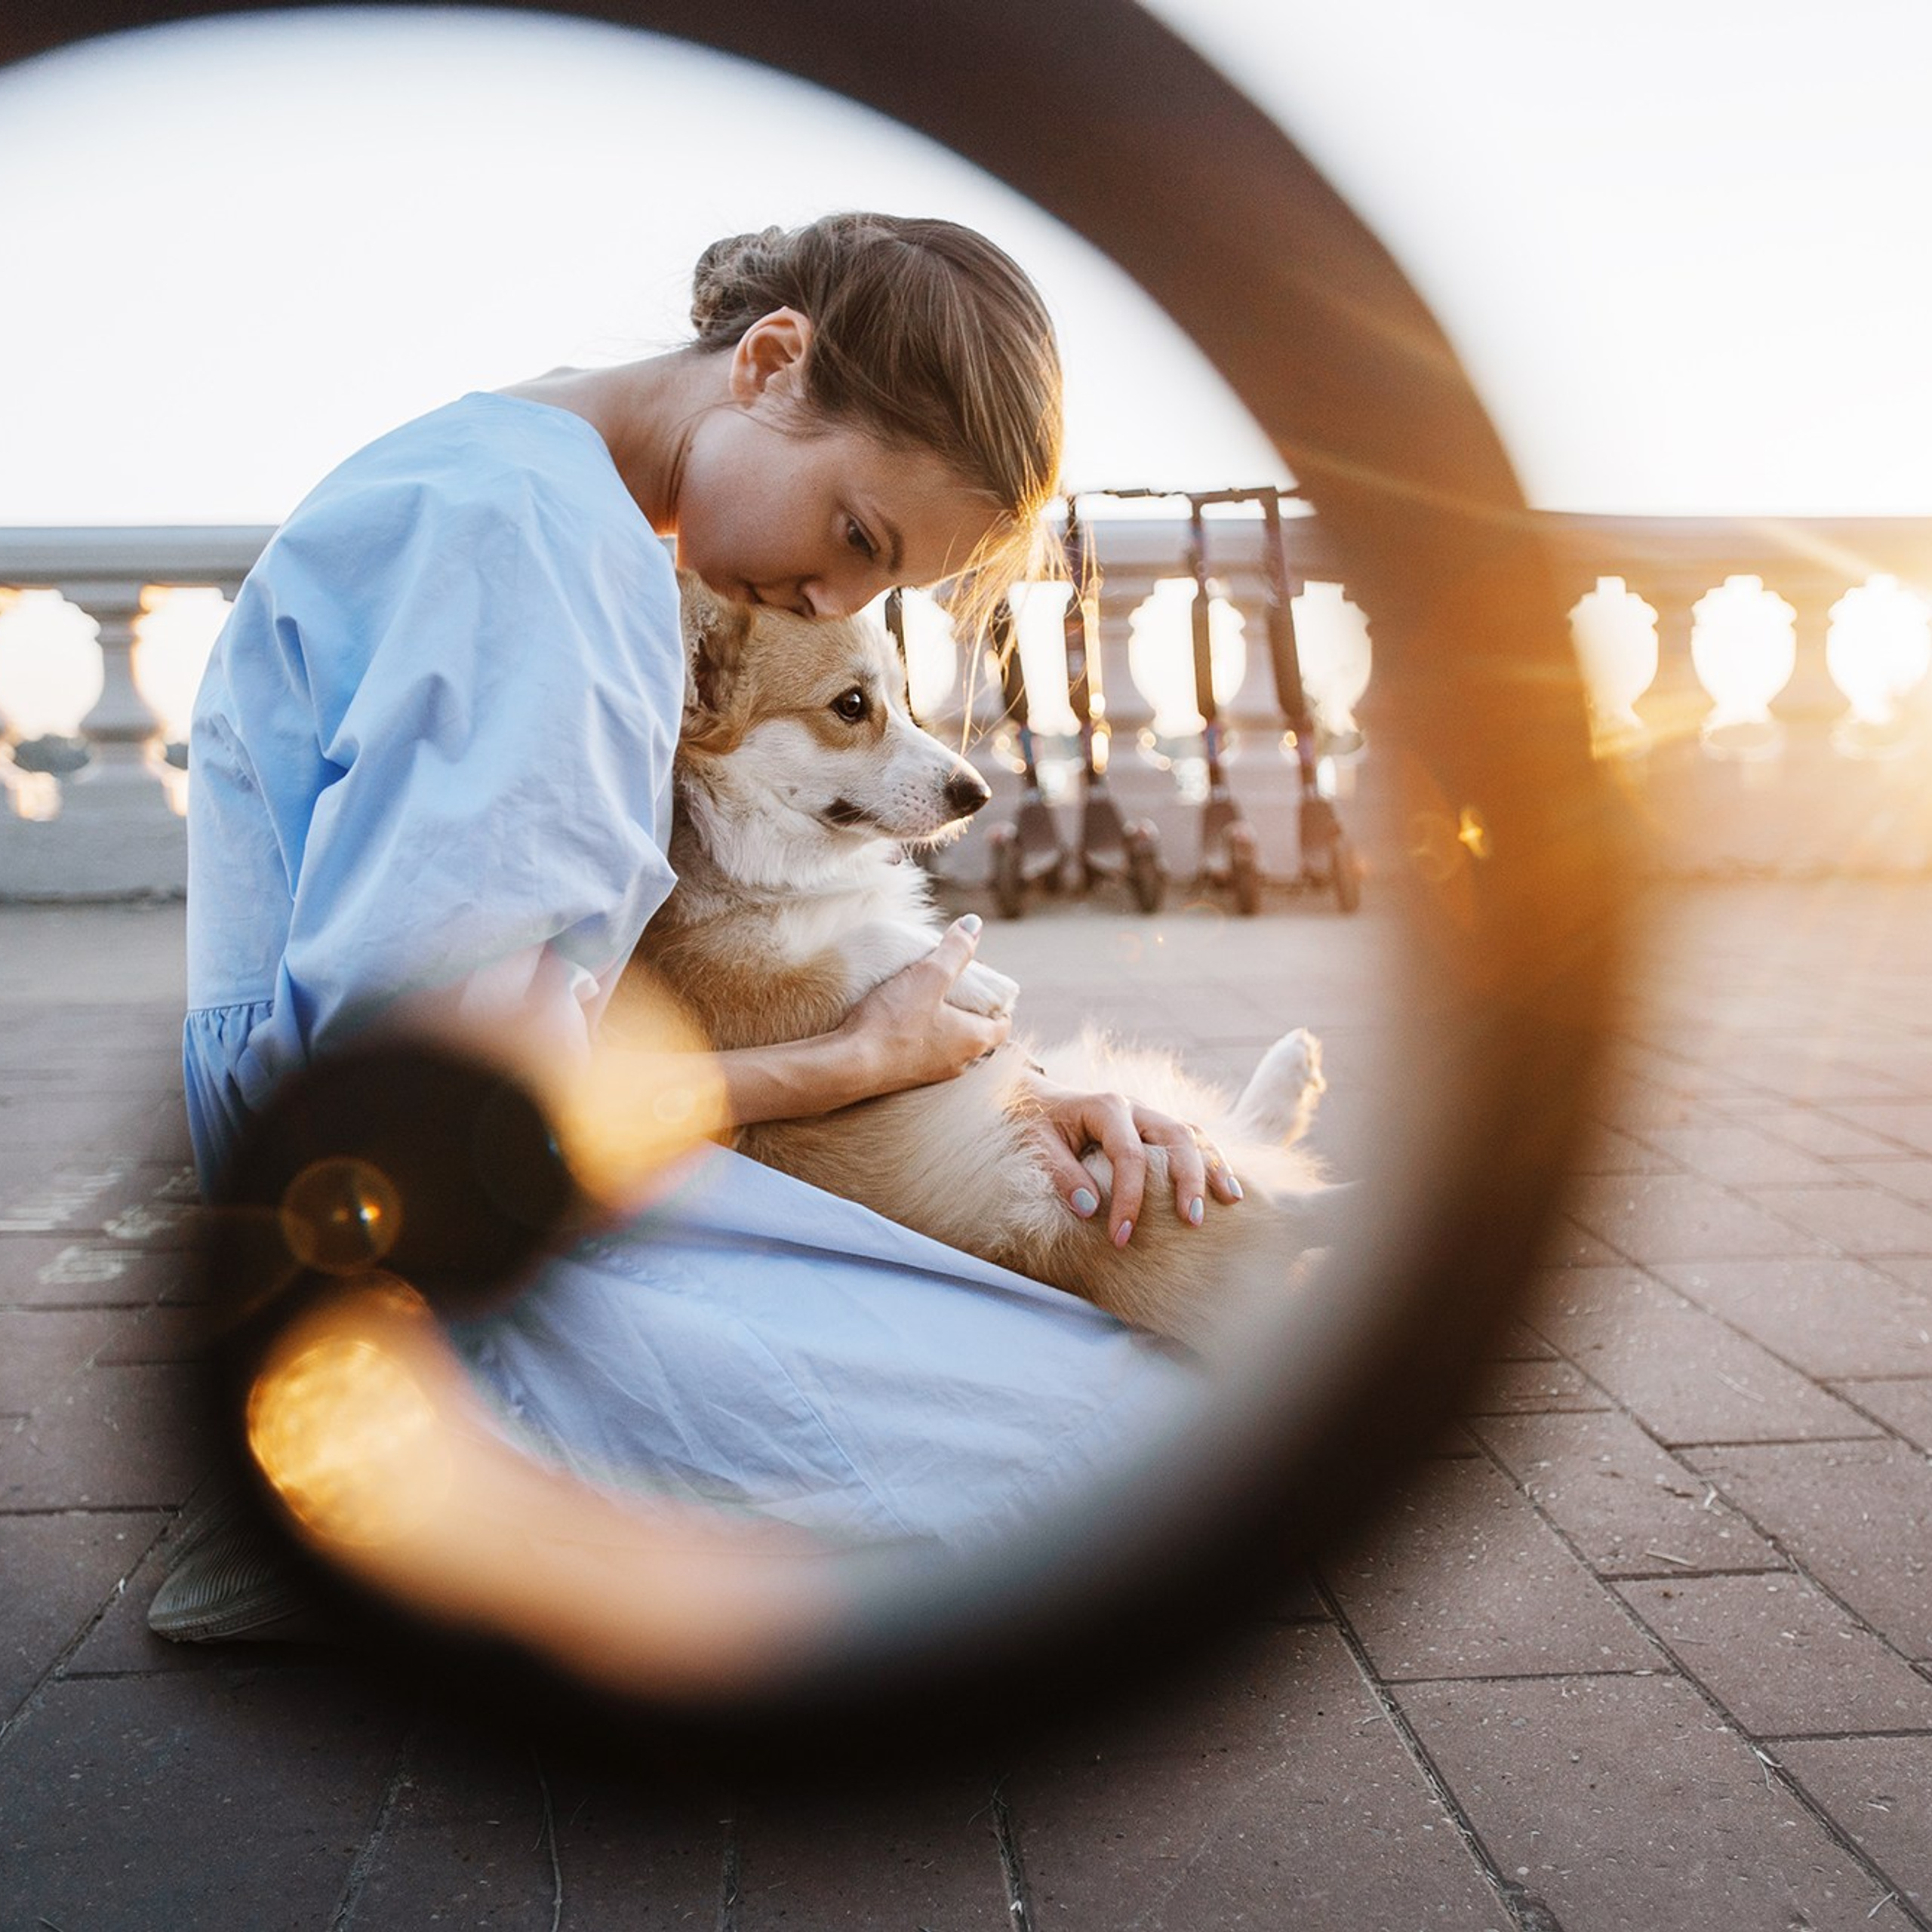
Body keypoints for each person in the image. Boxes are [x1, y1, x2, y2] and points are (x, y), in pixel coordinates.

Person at [156, 214, 1237, 1636]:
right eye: (858, 534)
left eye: (883, 582)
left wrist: (1000, 1097)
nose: (838, 600)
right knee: (1158, 1451)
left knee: (1137, 1378)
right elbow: (439, 1114)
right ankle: (365, 1475)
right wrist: (853, 1067)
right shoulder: (550, 556)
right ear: (771, 361)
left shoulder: (525, 472)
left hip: (436, 1148)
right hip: (411, 1223)